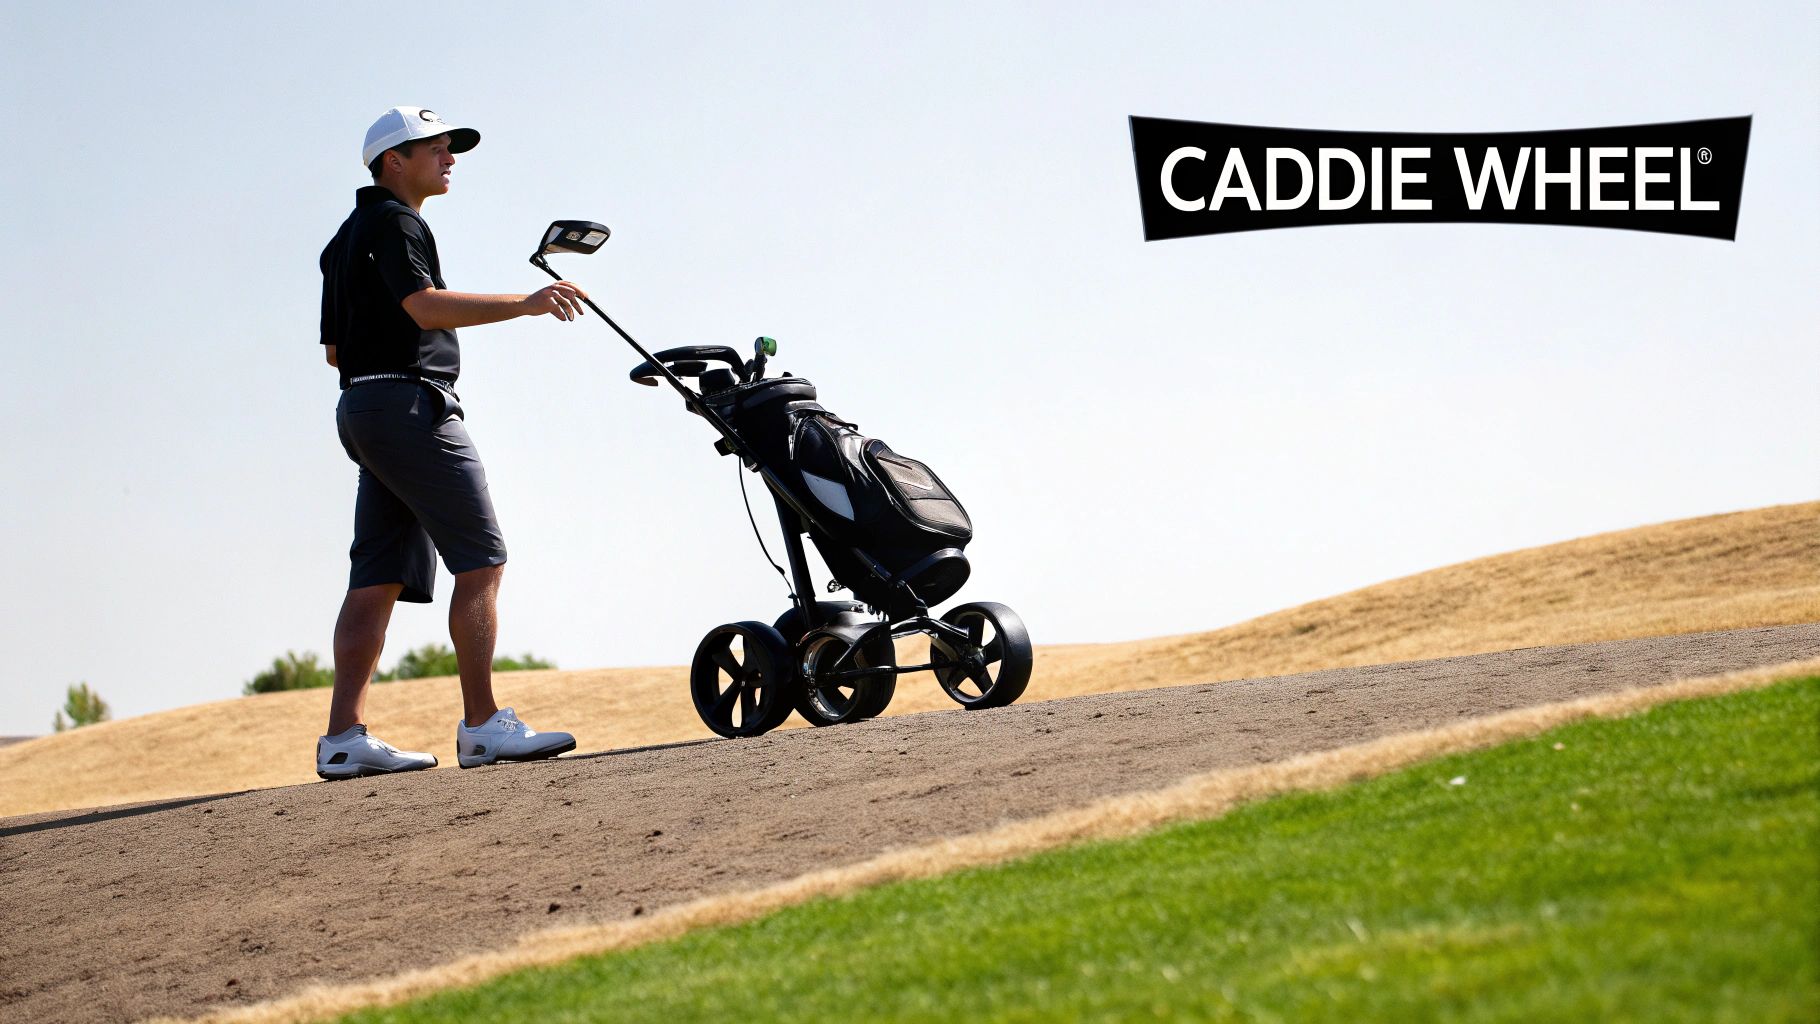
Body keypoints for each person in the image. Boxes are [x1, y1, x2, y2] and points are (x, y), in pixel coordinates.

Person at [315, 106, 582, 779]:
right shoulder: (399, 221)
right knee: (483, 560)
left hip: (361, 407)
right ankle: (483, 725)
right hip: (411, 406)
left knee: (376, 577)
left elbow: (335, 352)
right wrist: (525, 303)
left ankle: (343, 737)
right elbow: (425, 307)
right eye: (434, 148)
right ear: (392, 160)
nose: (449, 158)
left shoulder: (344, 237)